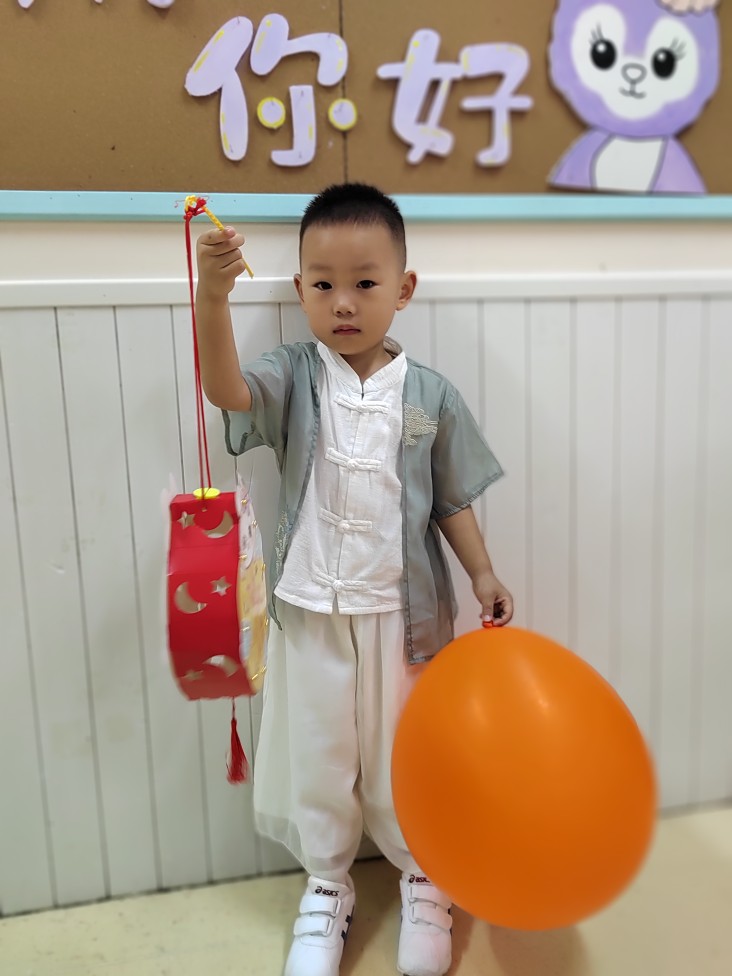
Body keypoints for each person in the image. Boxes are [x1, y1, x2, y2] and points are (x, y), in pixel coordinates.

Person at [194, 183, 513, 976]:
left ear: (403, 288)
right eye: (323, 283)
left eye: (365, 282)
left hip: (405, 616)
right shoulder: (293, 374)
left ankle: (426, 876)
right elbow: (228, 393)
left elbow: (450, 499)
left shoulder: (430, 394)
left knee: (409, 752)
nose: (343, 302)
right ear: (300, 288)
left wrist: (482, 572)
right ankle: (327, 884)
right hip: (310, 607)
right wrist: (212, 296)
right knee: (321, 750)